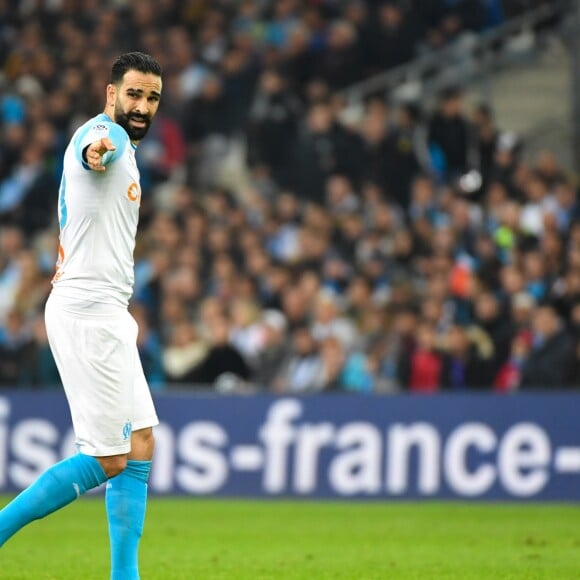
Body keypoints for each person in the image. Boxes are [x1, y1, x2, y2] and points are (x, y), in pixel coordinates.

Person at [0, 52, 163, 580]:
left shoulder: (128, 147)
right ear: (111, 93)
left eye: (152, 97)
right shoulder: (102, 136)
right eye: (134, 94)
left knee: (140, 443)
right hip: (87, 312)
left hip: (108, 310)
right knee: (112, 458)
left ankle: (124, 576)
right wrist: (98, 151)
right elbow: (101, 150)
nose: (141, 106)